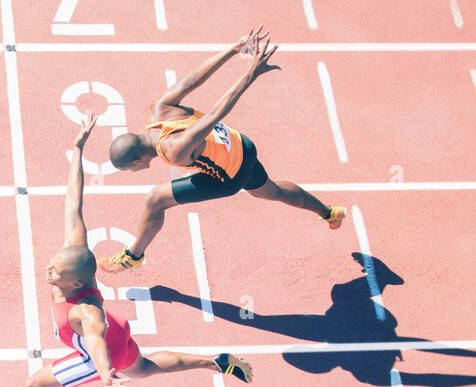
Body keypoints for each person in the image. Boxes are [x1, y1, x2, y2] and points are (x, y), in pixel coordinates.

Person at [0, 113, 254, 387]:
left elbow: (96, 343)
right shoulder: (77, 255)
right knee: (143, 367)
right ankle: (215, 362)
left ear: (74, 283)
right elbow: (74, 202)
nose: (48, 272)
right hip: (117, 333)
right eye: (52, 265)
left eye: (56, 272)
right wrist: (78, 150)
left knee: (35, 385)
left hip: (102, 350)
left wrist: (105, 377)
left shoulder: (85, 311)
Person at [99, 26, 345, 275]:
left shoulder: (174, 150)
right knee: (272, 191)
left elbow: (217, 113)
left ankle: (133, 256)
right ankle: (329, 213)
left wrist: (251, 74)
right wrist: (232, 49)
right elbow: (193, 79)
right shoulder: (158, 110)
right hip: (243, 147)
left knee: (155, 200)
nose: (133, 172)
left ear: (139, 159)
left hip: (229, 176)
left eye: (130, 168)